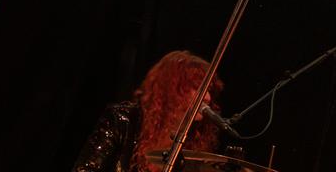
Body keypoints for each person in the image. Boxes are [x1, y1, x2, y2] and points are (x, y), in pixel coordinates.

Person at [73, 51, 223, 172]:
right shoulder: (125, 120)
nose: (208, 97)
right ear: (172, 90)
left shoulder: (196, 141)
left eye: (209, 90)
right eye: (198, 88)